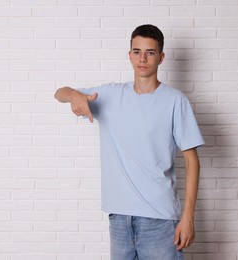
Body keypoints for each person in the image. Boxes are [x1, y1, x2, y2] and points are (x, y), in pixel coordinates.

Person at [54, 24, 204, 260]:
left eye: (150, 52)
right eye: (137, 51)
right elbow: (60, 92)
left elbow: (192, 161)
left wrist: (188, 217)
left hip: (160, 221)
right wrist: (74, 95)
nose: (142, 59)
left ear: (161, 57)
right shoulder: (110, 96)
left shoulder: (175, 101)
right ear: (129, 55)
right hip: (119, 220)